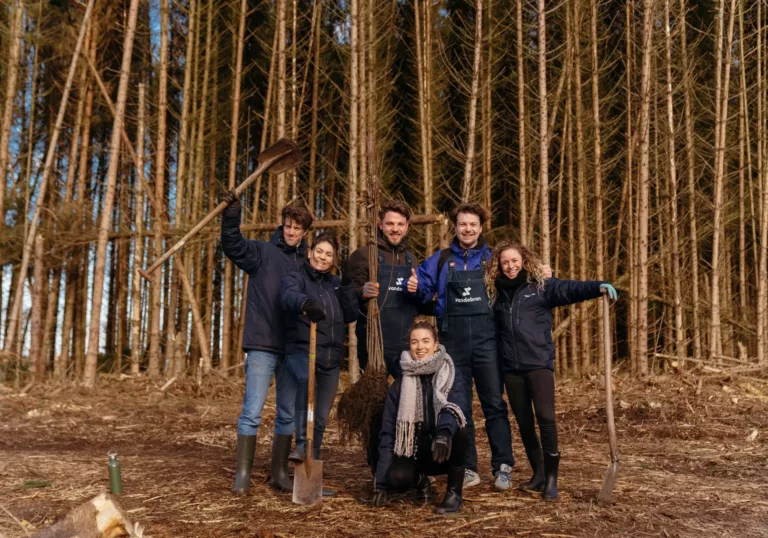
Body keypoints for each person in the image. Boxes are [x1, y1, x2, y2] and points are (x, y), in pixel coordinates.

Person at [487, 240, 617, 500]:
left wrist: (598, 286)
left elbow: (570, 289)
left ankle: (551, 480)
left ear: (523, 260)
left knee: (546, 419)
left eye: (514, 261)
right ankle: (538, 473)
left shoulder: (541, 286)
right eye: (505, 263)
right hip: (511, 370)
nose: (510, 266)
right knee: (524, 423)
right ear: (498, 267)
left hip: (538, 365)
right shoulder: (495, 294)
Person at [405, 203, 515, 491]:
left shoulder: (493, 259)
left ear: (481, 227)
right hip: (453, 343)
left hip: (486, 341)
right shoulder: (439, 261)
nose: (467, 229)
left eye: (473, 224)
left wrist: (540, 270)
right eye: (462, 224)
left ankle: (503, 466)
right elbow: (421, 290)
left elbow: (517, 274)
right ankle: (467, 467)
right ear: (455, 226)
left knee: (494, 404)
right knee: (459, 405)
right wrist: (414, 287)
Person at [221, 191, 313, 495]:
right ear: (282, 225)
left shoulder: (309, 264)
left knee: (287, 412)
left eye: (297, 228)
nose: (291, 231)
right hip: (262, 342)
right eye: (288, 225)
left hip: (294, 346)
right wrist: (232, 214)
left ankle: (278, 474)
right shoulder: (261, 252)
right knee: (252, 410)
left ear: (304, 232)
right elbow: (232, 244)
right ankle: (243, 475)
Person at [280, 232, 358, 495]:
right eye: (319, 251)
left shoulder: (335, 283)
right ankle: (301, 446)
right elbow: (288, 296)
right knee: (305, 398)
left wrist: (347, 286)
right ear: (310, 251)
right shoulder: (297, 277)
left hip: (331, 359)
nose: (323, 258)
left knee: (321, 419)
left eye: (329, 254)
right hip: (304, 352)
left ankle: (310, 470)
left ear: (334, 259)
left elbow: (349, 314)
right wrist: (305, 302)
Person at [373, 320, 470, 514]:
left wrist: (444, 432)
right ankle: (420, 480)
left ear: (436, 345)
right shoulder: (401, 383)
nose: (420, 347)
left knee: (459, 429)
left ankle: (454, 495)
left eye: (425, 341)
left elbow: (458, 405)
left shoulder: (450, 372)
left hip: (443, 446)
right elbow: (388, 432)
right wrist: (381, 483)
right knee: (396, 479)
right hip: (416, 450)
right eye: (414, 342)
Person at [345, 199, 431, 379]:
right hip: (373, 344)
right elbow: (345, 298)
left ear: (407, 226)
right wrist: (362, 292)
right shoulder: (363, 255)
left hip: (406, 344)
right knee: (375, 400)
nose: (395, 229)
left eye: (400, 224)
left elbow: (419, 303)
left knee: (407, 396)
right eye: (390, 223)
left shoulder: (411, 260)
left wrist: (418, 290)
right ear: (380, 225)